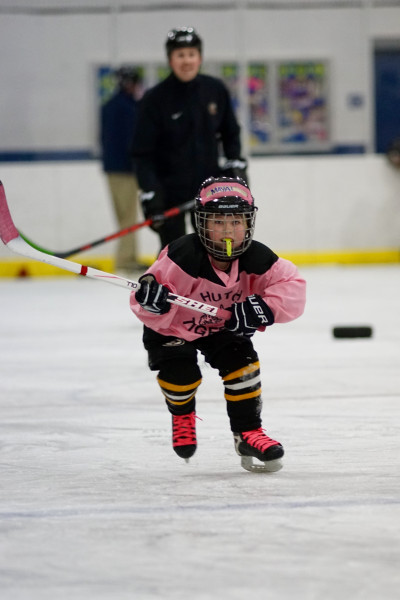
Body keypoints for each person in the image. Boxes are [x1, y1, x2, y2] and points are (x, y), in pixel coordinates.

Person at [130, 177, 306, 472]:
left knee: (244, 368)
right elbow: (144, 297)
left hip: (222, 327)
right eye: (218, 222)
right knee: (181, 377)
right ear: (201, 223)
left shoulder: (259, 257)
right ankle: (182, 413)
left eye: (235, 222)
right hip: (172, 328)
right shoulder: (181, 255)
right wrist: (153, 302)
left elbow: (292, 286)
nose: (227, 230)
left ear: (248, 223)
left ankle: (248, 433)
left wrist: (263, 308)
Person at [132, 27, 248, 251]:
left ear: (200, 57)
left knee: (215, 252)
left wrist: (235, 165)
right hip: (169, 194)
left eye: (191, 54)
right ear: (170, 59)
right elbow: (142, 153)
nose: (187, 61)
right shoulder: (155, 99)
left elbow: (231, 133)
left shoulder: (215, 90)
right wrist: (151, 191)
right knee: (175, 255)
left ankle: (212, 288)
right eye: (180, 55)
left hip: (209, 191)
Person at [100, 66, 144, 274]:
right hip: (125, 170)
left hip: (112, 169)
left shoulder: (108, 105)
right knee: (128, 217)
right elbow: (132, 142)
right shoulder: (129, 108)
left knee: (123, 216)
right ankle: (126, 259)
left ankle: (128, 257)